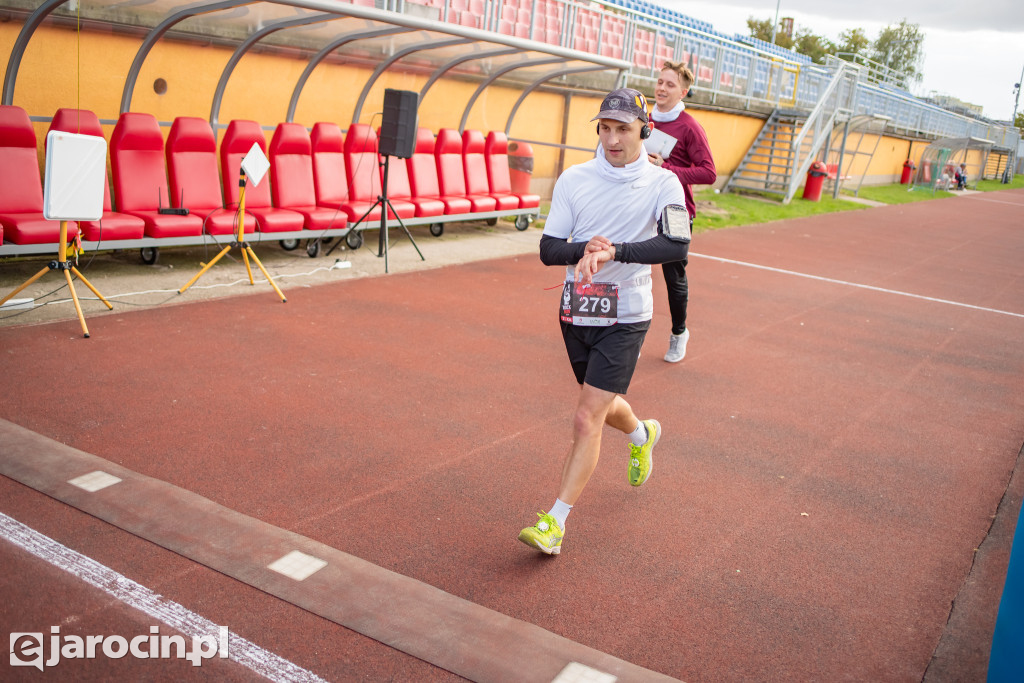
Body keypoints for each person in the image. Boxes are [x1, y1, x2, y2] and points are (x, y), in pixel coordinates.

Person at [517, 88, 690, 555]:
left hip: (628, 314)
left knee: (585, 416)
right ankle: (642, 433)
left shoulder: (664, 185)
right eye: (605, 128)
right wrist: (585, 249)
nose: (612, 139)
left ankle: (554, 523)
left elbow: (676, 246)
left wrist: (617, 251)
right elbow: (549, 249)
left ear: (645, 131)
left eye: (623, 129)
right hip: (577, 309)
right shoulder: (575, 179)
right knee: (600, 402)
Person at [646, 61, 717, 363]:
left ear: (683, 91)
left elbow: (709, 173)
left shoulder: (689, 126)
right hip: (641, 205)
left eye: (670, 84)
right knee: (625, 267)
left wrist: (668, 170)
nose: (661, 88)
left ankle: (679, 332)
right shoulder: (644, 119)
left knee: (673, 276)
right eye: (660, 82)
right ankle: (626, 335)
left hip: (675, 209)